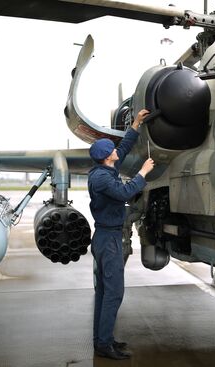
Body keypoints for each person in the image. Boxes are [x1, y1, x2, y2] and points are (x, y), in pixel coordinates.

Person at [88, 109, 155, 360]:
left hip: (106, 238)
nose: (117, 151)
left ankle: (103, 340)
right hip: (109, 240)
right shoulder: (104, 180)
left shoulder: (103, 170)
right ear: (107, 158)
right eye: (112, 150)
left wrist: (136, 124)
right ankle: (104, 344)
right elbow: (125, 193)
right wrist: (143, 172)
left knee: (105, 293)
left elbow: (124, 147)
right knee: (113, 292)